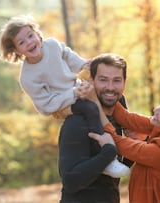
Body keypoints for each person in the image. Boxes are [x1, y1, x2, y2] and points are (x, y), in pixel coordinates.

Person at [0, 15, 129, 178]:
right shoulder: (28, 77)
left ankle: (130, 137)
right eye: (21, 42)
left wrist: (82, 64)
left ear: (38, 34)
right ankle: (106, 159)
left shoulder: (52, 45)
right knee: (90, 108)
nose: (29, 42)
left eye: (30, 36)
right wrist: (72, 93)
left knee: (111, 96)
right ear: (17, 51)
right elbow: (46, 106)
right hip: (59, 105)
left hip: (75, 88)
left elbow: (66, 54)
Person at [89, 90, 160, 203]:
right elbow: (127, 119)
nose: (156, 110)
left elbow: (117, 142)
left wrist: (96, 104)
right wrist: (109, 92)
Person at [59, 53, 135, 202]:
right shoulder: (77, 122)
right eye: (103, 80)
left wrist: (135, 148)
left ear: (124, 83)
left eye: (117, 80)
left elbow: (114, 172)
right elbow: (70, 182)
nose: (110, 87)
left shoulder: (116, 118)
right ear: (92, 81)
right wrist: (108, 152)